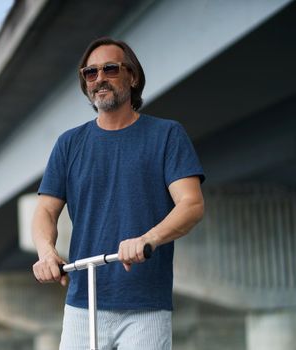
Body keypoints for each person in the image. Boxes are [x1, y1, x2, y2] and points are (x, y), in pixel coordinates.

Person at [31, 37, 205, 350]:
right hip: (83, 302)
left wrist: (147, 238)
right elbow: (45, 210)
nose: (99, 79)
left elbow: (191, 204)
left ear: (132, 76)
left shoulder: (166, 135)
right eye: (90, 73)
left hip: (145, 305)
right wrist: (46, 251)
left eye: (110, 69)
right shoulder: (69, 144)